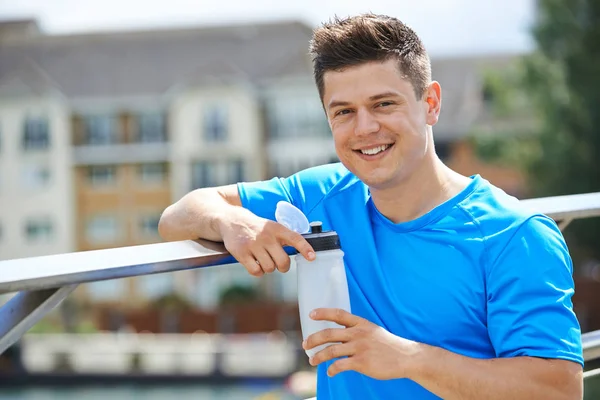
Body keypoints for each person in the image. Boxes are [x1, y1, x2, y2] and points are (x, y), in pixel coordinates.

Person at [158, 13, 583, 399]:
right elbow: (175, 218)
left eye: (384, 104)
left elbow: (559, 391)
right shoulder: (322, 194)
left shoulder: (515, 234)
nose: (365, 129)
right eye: (343, 112)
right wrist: (229, 219)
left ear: (430, 103)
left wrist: (409, 359)